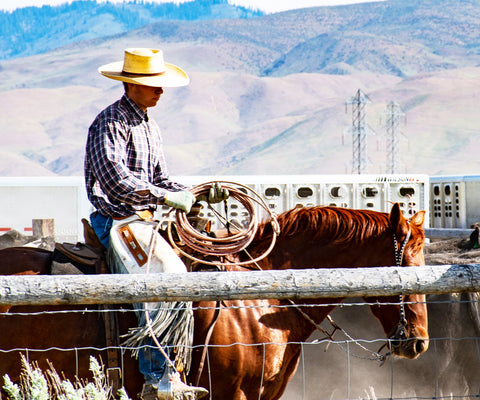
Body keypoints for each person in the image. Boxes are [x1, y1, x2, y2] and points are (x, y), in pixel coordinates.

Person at [85, 48, 226, 400]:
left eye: (161, 85)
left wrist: (197, 193)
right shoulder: (110, 122)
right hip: (118, 219)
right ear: (131, 84)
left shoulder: (149, 125)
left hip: (146, 218)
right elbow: (115, 179)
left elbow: (161, 178)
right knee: (166, 277)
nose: (160, 90)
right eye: (152, 84)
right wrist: (164, 198)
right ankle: (157, 376)